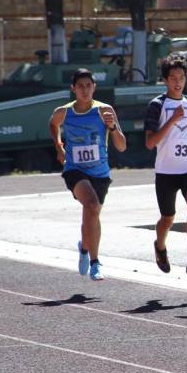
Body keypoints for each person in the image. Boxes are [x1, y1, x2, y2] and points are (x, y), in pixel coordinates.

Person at [49, 68, 126, 281]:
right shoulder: (64, 112)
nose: (85, 90)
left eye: (88, 86)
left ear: (94, 87)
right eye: (80, 86)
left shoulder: (104, 111)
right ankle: (95, 262)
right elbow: (53, 124)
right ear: (73, 89)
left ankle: (84, 247)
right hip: (75, 169)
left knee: (92, 214)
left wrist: (112, 127)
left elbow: (122, 146)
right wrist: (58, 146)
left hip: (100, 172)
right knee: (91, 205)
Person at [144, 55, 187, 280]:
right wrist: (172, 120)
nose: (178, 82)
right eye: (173, 78)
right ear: (165, 81)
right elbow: (150, 143)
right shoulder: (157, 105)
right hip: (166, 171)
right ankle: (160, 246)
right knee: (167, 218)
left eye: (181, 77)